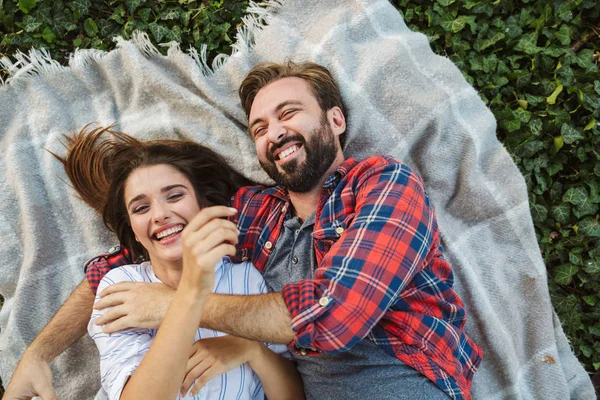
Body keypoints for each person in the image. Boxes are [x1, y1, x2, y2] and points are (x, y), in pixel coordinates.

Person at [5, 61, 482, 400]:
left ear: (335, 120)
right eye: (259, 127)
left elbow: (335, 316)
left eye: (288, 113)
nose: (274, 132)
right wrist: (39, 353)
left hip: (404, 381)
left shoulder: (383, 183)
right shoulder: (257, 214)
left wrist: (176, 304)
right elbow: (134, 257)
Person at [56, 126, 304, 400]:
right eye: (141, 208)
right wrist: (190, 291)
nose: (161, 214)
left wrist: (251, 350)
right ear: (134, 232)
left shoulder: (248, 279)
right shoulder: (119, 287)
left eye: (175, 196)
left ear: (203, 205)